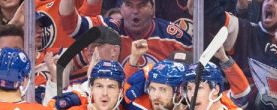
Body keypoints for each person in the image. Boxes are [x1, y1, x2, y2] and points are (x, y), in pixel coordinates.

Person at [59, 0, 192, 68]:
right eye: (129, 4)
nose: (135, 11)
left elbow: (196, 69)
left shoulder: (174, 36)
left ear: (152, 8)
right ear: (121, 9)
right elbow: (70, 25)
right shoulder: (110, 28)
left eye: (142, 5)